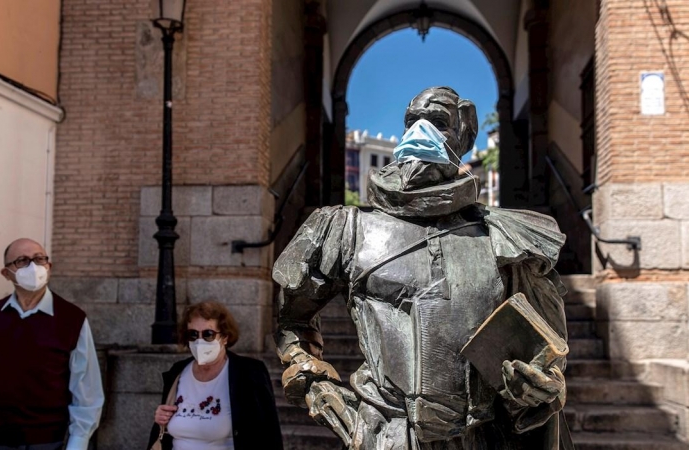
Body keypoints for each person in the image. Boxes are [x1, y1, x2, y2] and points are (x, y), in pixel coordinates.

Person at [272, 87, 570, 449]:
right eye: (412, 121)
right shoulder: (345, 228)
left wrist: (542, 387)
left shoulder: (507, 238)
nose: (419, 132)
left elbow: (547, 349)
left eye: (438, 123)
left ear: (465, 133)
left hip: (482, 437)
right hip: (385, 434)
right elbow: (292, 320)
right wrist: (312, 379)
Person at [0, 238, 104, 450]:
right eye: (22, 261)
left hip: (43, 442)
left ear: (49, 267)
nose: (34, 267)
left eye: (39, 259)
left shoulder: (71, 319)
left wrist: (77, 445)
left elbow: (86, 391)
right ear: (6, 273)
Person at [147, 302, 283, 450]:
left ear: (224, 337)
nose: (199, 341)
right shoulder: (178, 372)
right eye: (193, 334)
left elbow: (269, 432)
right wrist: (161, 419)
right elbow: (163, 430)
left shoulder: (249, 373)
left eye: (208, 334)